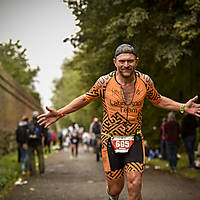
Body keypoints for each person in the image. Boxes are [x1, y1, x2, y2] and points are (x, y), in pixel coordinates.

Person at [37, 44, 200, 200]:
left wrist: (182, 107)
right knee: (115, 188)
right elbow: (85, 98)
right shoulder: (104, 82)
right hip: (110, 140)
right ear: (115, 62)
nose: (126, 65)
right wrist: (61, 112)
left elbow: (158, 100)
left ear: (136, 61)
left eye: (130, 61)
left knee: (135, 184)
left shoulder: (145, 81)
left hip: (134, 139)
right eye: (122, 61)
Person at [28, 111, 45, 176]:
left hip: (30, 142)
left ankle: (33, 172)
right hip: (38, 141)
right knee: (40, 156)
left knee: (31, 157)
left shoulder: (29, 123)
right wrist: (44, 141)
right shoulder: (40, 123)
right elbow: (44, 133)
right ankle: (41, 171)